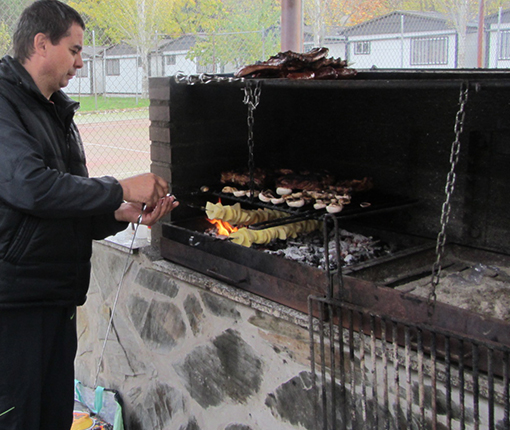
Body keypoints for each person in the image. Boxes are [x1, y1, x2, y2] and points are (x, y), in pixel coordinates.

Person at [0, 1, 178, 428]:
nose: (81, 62)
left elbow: (66, 203)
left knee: (52, 416)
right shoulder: (4, 103)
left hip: (56, 295)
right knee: (17, 418)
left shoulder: (57, 110)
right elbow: (32, 187)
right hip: (13, 305)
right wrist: (120, 186)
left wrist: (121, 212)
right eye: (75, 50)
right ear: (41, 44)